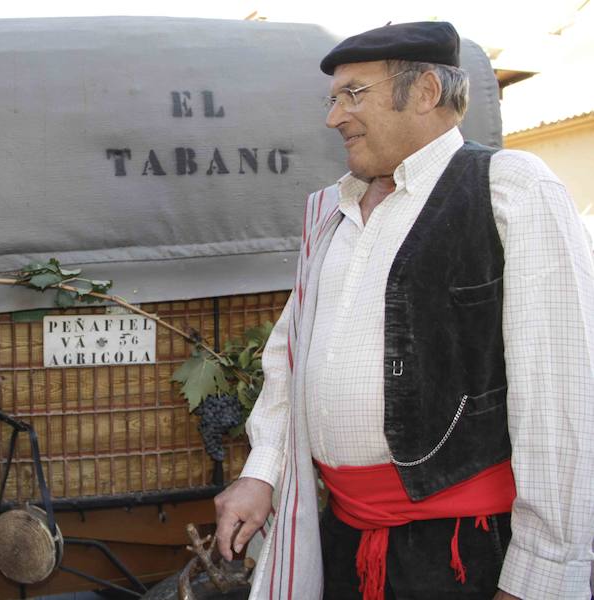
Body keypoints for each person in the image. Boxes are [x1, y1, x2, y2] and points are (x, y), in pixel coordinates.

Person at [214, 21, 594, 600]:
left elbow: (562, 393)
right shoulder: (329, 213)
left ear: (424, 93)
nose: (334, 116)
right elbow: (290, 360)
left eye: (354, 94)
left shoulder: (509, 187)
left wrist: (539, 577)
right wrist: (260, 472)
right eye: (333, 98)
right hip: (344, 540)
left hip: (463, 552)